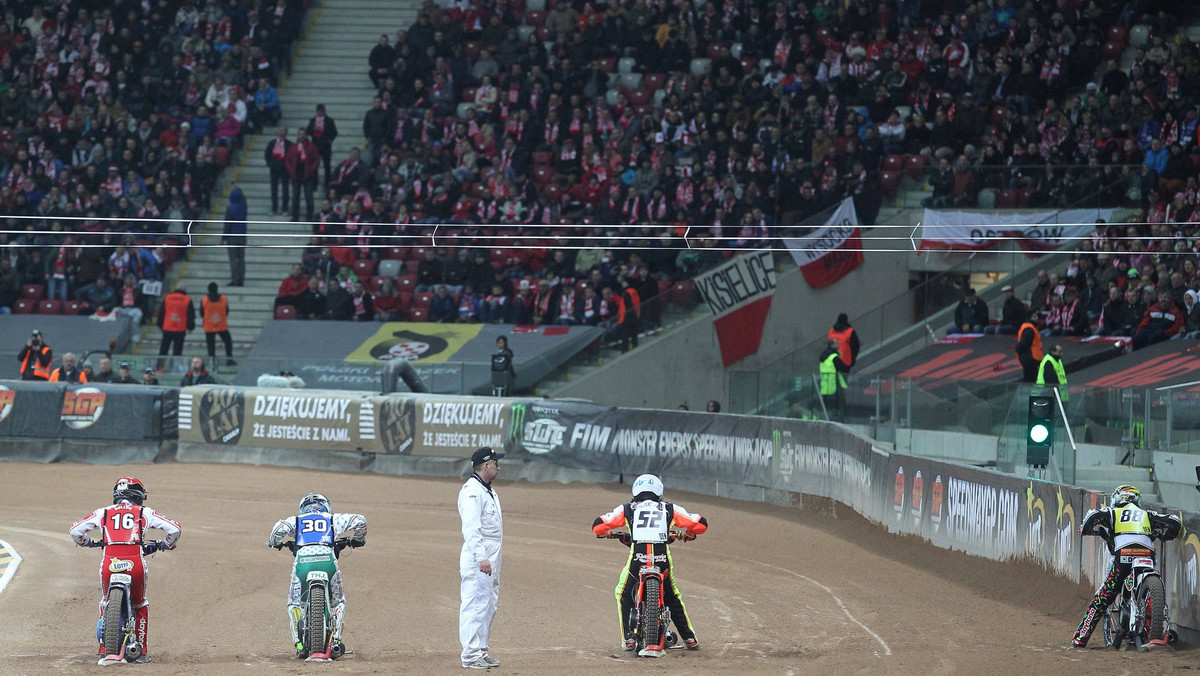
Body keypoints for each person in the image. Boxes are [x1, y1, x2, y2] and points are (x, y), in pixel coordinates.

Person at [592, 473, 707, 656]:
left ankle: (629, 639)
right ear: (659, 491)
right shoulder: (669, 508)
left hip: (637, 561)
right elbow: (700, 524)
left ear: (635, 491)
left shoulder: (628, 509)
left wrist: (607, 532)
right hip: (662, 561)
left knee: (622, 593)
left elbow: (598, 526)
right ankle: (690, 638)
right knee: (672, 596)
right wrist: (689, 534)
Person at [69, 477, 181, 664]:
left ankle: (104, 648)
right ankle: (141, 653)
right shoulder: (145, 512)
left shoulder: (102, 512)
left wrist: (87, 543)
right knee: (140, 604)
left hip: (109, 561)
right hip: (135, 560)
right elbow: (175, 529)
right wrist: (165, 545)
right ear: (137, 495)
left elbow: (75, 531)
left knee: (105, 602)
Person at [1072, 485, 1180, 647]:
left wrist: (1085, 530)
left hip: (1123, 556)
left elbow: (1092, 515)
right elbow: (1174, 521)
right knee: (1145, 593)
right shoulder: (1147, 514)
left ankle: (1080, 638)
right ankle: (1152, 631)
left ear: (1117, 498)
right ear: (1137, 500)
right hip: (1147, 556)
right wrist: (1167, 535)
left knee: (1102, 597)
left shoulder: (1112, 512)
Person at [266, 492, 367, 660]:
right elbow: (360, 521)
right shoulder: (333, 519)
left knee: (294, 602)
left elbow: (278, 529)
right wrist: (357, 539)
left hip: (303, 563)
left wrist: (275, 543)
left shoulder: (296, 520)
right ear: (325, 506)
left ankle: (299, 644)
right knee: (338, 601)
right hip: (328, 561)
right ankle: (335, 639)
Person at [459, 447, 505, 670]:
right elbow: (471, 529)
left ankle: (481, 650)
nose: (499, 466)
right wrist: (481, 557)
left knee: (488, 604)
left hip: (491, 555)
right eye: (496, 463)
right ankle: (470, 654)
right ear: (486, 465)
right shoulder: (472, 492)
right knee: (475, 603)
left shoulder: (488, 491)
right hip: (480, 557)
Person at [287, 129, 320, 222]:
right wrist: (291, 171)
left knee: (309, 196)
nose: (301, 136)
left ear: (306, 135)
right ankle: (295, 216)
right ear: (297, 135)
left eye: (303, 134)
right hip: (295, 175)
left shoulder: (311, 147)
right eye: (300, 134)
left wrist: (311, 170)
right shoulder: (293, 147)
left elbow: (316, 160)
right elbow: (288, 160)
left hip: (307, 175)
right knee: (295, 197)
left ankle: (309, 216)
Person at [203, 283, 236, 366]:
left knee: (211, 345)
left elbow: (201, 312)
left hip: (209, 325)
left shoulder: (204, 300)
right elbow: (227, 311)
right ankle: (229, 359)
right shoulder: (223, 299)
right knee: (228, 341)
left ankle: (212, 362)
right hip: (221, 324)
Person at [305, 104, 339, 186]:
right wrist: (314, 129)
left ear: (324, 111)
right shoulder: (313, 120)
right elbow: (307, 131)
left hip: (325, 145)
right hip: (315, 145)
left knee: (327, 165)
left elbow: (334, 133)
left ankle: (327, 182)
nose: (319, 113)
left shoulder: (329, 120)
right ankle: (314, 182)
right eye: (318, 111)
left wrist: (329, 140)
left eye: (321, 111)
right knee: (315, 164)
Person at [158, 285, 195, 357]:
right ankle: (176, 366)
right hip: (180, 328)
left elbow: (162, 312)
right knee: (177, 350)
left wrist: (160, 324)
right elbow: (190, 315)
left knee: (164, 349)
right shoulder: (187, 299)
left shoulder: (167, 297)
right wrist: (190, 327)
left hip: (167, 326)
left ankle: (160, 366)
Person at [818, 339, 850, 420]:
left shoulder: (823, 356)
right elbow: (843, 368)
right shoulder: (834, 357)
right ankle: (840, 416)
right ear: (832, 345)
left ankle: (827, 417)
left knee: (827, 403)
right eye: (836, 343)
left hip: (825, 384)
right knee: (838, 402)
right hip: (834, 383)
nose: (838, 345)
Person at [223, 185, 247, 286]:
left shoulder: (230, 208)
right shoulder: (244, 207)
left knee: (233, 259)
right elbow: (244, 199)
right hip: (242, 236)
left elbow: (227, 224)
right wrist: (239, 189)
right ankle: (241, 279)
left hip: (232, 236)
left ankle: (234, 279)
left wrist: (223, 237)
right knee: (241, 259)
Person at [264, 127, 291, 215]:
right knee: (274, 189)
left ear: (286, 132)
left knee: (285, 189)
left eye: (284, 130)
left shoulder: (289, 144)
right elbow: (267, 154)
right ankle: (274, 208)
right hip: (274, 168)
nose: (282, 132)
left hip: (284, 169)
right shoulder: (272, 143)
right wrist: (270, 164)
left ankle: (284, 209)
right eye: (280, 130)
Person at [1015, 311, 1044, 383]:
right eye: (1034, 316)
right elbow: (1023, 343)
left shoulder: (1027, 327)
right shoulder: (1029, 329)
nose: (1037, 318)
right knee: (1031, 381)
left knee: (1029, 381)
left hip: (1028, 357)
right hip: (1031, 358)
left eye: (1037, 316)